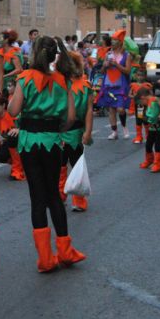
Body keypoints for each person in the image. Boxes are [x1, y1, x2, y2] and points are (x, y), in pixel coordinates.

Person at [8, 36, 86, 273]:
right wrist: (56, 129)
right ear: (55, 56)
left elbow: (13, 110)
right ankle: (65, 250)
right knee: (54, 194)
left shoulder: (25, 79)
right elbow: (71, 117)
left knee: (37, 198)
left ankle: (45, 257)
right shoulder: (64, 81)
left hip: (30, 142)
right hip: (52, 142)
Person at [58, 50, 94, 212]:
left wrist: (88, 132)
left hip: (76, 131)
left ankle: (79, 199)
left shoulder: (85, 85)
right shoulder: (58, 83)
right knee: (59, 165)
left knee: (76, 164)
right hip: (58, 131)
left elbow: (88, 109)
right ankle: (60, 194)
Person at [96, 29, 132, 140]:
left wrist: (116, 64)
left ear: (120, 42)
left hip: (120, 85)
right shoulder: (108, 54)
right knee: (111, 109)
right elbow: (101, 72)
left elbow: (127, 71)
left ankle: (125, 127)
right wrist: (105, 65)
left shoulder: (127, 55)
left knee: (120, 109)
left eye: (115, 40)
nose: (112, 42)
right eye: (112, 40)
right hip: (108, 84)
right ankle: (114, 132)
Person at [0, 94, 25, 181]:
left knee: (13, 136)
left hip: (26, 141)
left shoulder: (14, 114)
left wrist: (19, 130)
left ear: (3, 105)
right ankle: (22, 166)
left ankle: (18, 170)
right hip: (14, 145)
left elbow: (30, 126)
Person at [136, 87, 160, 173]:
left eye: (141, 102)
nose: (142, 104)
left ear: (143, 97)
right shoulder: (148, 103)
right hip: (152, 128)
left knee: (157, 146)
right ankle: (149, 161)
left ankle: (158, 165)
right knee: (148, 145)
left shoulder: (155, 99)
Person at [129, 69, 153, 144]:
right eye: (138, 75)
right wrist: (134, 96)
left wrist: (146, 98)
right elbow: (129, 94)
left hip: (146, 106)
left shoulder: (147, 85)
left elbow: (152, 95)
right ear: (136, 76)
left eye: (142, 75)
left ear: (145, 76)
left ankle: (148, 136)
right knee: (139, 121)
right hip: (138, 106)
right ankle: (139, 136)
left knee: (146, 121)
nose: (140, 77)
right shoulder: (133, 85)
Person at [0, 29, 23, 96]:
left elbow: (19, 69)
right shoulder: (1, 50)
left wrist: (4, 76)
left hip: (10, 82)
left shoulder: (14, 53)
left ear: (6, 40)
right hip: (2, 81)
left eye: (1, 38)